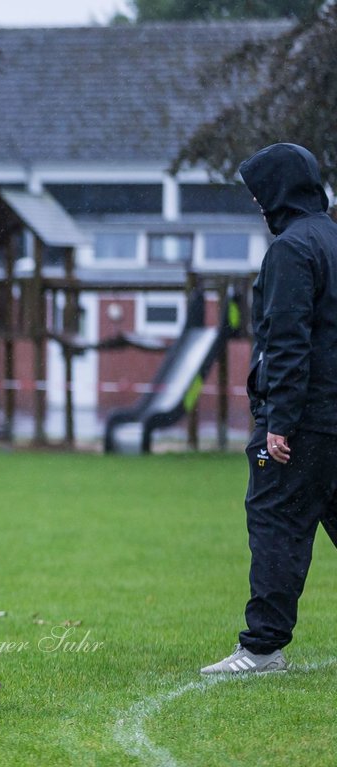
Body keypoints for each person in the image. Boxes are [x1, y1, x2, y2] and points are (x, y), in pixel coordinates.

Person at [202, 142, 337, 675]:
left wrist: (279, 420)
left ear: (278, 192)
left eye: (260, 194)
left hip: (301, 423)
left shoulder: (291, 250)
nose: (258, 205)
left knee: (276, 524)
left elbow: (286, 339)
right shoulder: (333, 239)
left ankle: (261, 649)